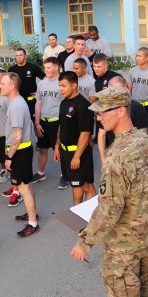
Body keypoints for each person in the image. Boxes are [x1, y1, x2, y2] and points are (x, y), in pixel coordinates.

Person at [70, 86, 148, 297]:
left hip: (123, 245)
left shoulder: (117, 156)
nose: (99, 118)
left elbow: (110, 208)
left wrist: (85, 241)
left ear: (122, 110)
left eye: (103, 113)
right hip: (147, 235)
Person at [0, 72, 40, 237]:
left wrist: (9, 157)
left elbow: (17, 135)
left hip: (20, 152)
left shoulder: (16, 106)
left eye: (3, 83)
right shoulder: (16, 102)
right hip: (22, 149)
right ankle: (32, 214)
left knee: (23, 188)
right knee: (27, 185)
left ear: (12, 86)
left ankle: (33, 223)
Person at [54, 71, 95, 205]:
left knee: (82, 186)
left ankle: (82, 217)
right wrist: (57, 146)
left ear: (74, 86)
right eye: (60, 86)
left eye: (64, 86)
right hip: (65, 152)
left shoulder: (83, 105)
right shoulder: (64, 103)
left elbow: (85, 133)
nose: (61, 89)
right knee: (82, 185)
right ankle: (89, 217)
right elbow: (62, 126)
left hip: (79, 153)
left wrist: (77, 156)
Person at [97, 75, 148, 162]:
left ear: (126, 89)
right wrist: (103, 159)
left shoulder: (137, 108)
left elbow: (142, 137)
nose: (113, 94)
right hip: (113, 155)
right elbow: (101, 135)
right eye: (110, 91)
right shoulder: (106, 109)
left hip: (132, 158)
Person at [33, 57, 66, 189]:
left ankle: (65, 175)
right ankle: (41, 173)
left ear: (56, 67)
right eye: (45, 67)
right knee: (42, 149)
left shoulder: (62, 83)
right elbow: (38, 103)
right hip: (43, 122)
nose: (46, 70)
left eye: (49, 67)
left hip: (57, 122)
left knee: (60, 150)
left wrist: (63, 124)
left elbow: (66, 104)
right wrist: (37, 123)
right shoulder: (42, 83)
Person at [127, 47, 148, 136]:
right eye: (137, 56)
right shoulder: (132, 71)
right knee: (132, 131)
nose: (137, 58)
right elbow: (129, 90)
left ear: (147, 58)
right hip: (134, 105)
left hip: (147, 107)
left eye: (140, 56)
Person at [8, 48, 45, 122]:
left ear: (25, 56)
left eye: (21, 55)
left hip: (31, 101)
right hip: (17, 100)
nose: (18, 57)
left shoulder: (33, 67)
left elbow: (45, 79)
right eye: (17, 55)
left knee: (33, 121)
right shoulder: (12, 69)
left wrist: (38, 92)